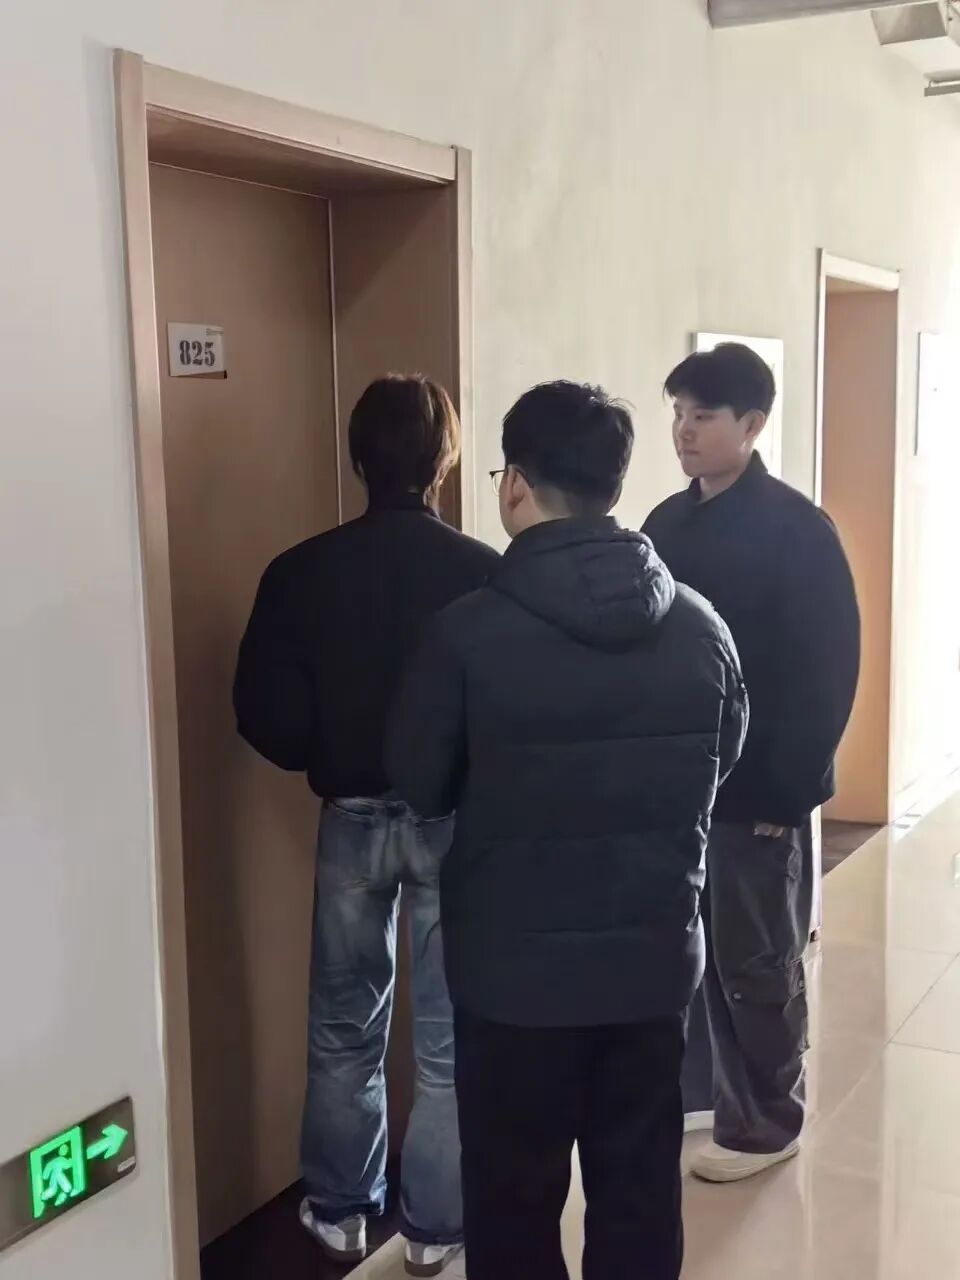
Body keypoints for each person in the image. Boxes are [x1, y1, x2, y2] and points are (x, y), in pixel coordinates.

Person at [388, 381, 748, 1280]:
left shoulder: (463, 637)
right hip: (649, 972)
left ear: (515, 483)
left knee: (513, 1208)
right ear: (613, 486)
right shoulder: (701, 628)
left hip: (513, 986)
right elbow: (722, 757)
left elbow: (421, 786)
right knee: (639, 1196)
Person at [234, 374, 499, 1277]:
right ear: (444, 461)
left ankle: (342, 1211)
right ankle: (436, 1228)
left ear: (357, 459)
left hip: (349, 815)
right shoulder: (481, 573)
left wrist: (324, 752)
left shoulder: (299, 570)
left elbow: (260, 711)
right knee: (450, 1037)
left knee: (345, 1022)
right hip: (451, 819)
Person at [643, 342, 860, 1183]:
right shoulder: (665, 524)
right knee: (688, 954)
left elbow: (826, 672)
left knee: (756, 963)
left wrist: (788, 790)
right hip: (680, 787)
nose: (684, 431)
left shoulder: (799, 530)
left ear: (752, 424)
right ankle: (708, 1099)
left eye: (702, 416)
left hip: (760, 788)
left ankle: (768, 1123)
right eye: (678, 414)